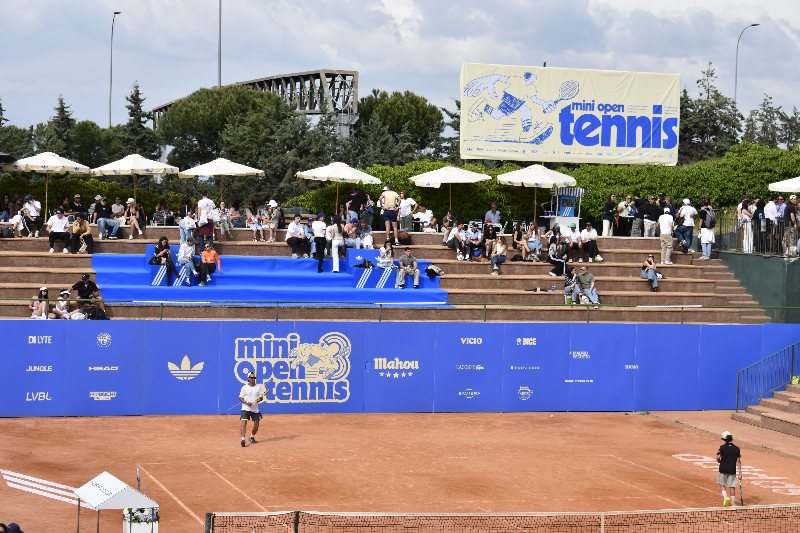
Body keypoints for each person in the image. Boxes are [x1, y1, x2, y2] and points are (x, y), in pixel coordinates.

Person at [716, 431, 742, 507]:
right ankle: (733, 503)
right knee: (732, 486)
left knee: (721, 484)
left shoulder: (722, 448)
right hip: (732, 469)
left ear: (724, 439)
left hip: (723, 468)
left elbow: (718, 458)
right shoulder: (737, 449)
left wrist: (719, 461)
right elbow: (738, 461)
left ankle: (725, 498)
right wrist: (740, 473)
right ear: (731, 438)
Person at [239, 372, 263, 447]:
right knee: (244, 422)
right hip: (246, 408)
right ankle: (243, 439)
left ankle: (251, 436)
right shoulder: (244, 387)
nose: (253, 379)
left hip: (255, 409)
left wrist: (260, 399)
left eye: (254, 378)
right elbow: (240, 398)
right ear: (248, 378)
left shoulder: (258, 387)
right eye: (252, 378)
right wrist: (246, 402)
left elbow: (260, 397)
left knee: (257, 424)